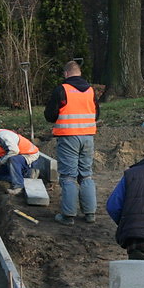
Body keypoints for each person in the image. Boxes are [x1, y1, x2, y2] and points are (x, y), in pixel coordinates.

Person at [44, 60, 99, 225]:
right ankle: (90, 213)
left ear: (66, 73)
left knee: (68, 176)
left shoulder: (62, 90)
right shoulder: (90, 91)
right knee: (86, 174)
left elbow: (50, 115)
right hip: (88, 137)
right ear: (79, 73)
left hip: (68, 137)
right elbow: (96, 114)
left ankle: (68, 215)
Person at [0, 125, 49, 195]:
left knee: (13, 159)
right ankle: (27, 175)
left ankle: (18, 185)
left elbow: (14, 151)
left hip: (29, 155)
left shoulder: (2, 136)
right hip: (15, 158)